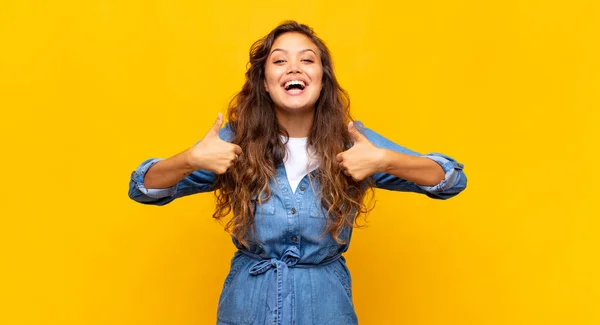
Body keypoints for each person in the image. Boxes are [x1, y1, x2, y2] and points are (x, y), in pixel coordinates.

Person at [128, 20, 467, 325]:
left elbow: (450, 179)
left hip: (326, 308)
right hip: (247, 308)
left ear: (323, 77)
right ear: (263, 81)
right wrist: (190, 159)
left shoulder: (352, 141)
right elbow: (143, 187)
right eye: (279, 61)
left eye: (307, 60)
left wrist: (384, 161)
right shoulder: (235, 140)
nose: (294, 68)